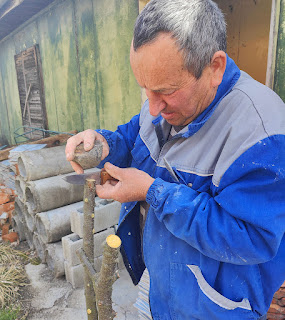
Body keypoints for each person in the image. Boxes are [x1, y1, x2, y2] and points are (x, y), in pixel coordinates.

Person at [65, 0, 285, 319]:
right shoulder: (167, 101)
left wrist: (153, 192)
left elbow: (252, 239)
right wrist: (103, 144)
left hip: (215, 307)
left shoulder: (263, 134)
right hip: (161, 287)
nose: (153, 108)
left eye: (165, 91)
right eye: (145, 90)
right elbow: (134, 137)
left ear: (215, 68)